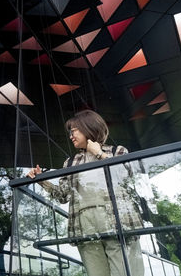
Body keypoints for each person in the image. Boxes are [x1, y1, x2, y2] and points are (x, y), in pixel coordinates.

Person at [26, 110, 144, 276]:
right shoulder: (71, 162)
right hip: (85, 225)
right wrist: (41, 180)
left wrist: (98, 154)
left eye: (73, 131)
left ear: (88, 127)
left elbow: (125, 177)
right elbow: (62, 195)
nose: (71, 136)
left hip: (117, 221)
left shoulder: (117, 151)